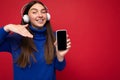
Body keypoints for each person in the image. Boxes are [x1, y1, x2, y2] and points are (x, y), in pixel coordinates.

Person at [0, 0, 71, 80]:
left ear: (47, 16)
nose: (40, 15)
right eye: (34, 12)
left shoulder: (54, 37)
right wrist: (7, 28)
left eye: (43, 12)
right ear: (26, 17)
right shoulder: (16, 38)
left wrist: (60, 56)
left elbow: (60, 68)